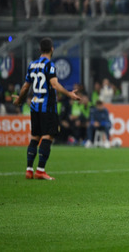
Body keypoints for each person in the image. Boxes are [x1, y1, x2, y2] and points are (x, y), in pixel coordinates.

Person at [13, 37, 80, 180]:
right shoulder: (50, 65)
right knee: (48, 136)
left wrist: (19, 99)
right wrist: (69, 94)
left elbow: (26, 86)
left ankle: (29, 170)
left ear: (39, 50)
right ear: (52, 49)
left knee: (34, 137)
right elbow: (54, 85)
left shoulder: (32, 65)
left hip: (35, 105)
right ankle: (40, 171)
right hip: (47, 105)